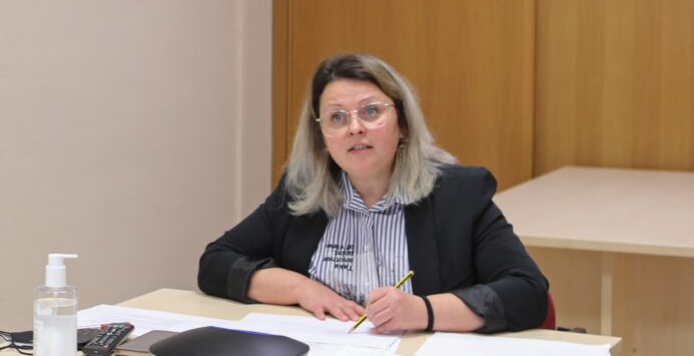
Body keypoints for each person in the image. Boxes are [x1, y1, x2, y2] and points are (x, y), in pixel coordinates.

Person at [198, 53, 548, 334]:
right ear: (321, 137)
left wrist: (423, 311)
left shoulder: (458, 196)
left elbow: (529, 293)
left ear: (403, 123)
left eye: (370, 111)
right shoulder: (301, 195)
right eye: (337, 117)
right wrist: (302, 289)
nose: (355, 128)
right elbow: (215, 264)